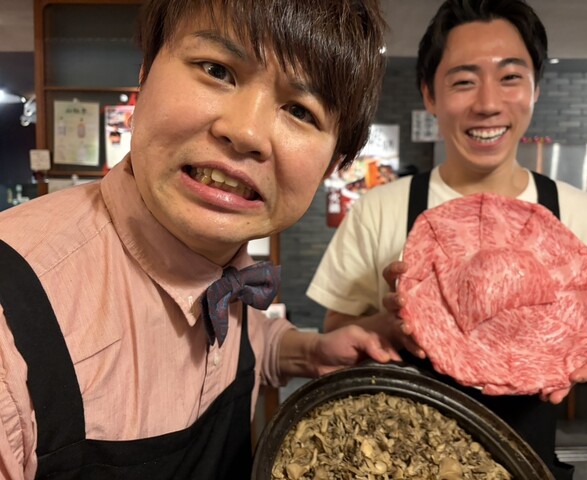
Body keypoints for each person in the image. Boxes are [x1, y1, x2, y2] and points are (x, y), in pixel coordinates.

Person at [0, 1, 395, 478]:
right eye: (217, 70)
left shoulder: (227, 270)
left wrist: (306, 352)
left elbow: (241, 342)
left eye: (299, 110)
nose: (245, 132)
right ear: (144, 74)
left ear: (334, 165)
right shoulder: (10, 323)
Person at [306, 0, 587, 478]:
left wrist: (581, 343)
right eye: (463, 81)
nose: (487, 103)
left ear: (535, 88)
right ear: (430, 94)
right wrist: (392, 324)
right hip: (402, 462)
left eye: (510, 77)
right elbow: (334, 328)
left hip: (526, 464)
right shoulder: (381, 208)